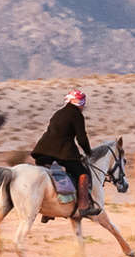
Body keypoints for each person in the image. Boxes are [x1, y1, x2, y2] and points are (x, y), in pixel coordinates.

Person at [32, 89, 95, 220]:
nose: (83, 106)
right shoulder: (76, 115)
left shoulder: (58, 113)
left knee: (51, 176)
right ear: (79, 103)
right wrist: (89, 152)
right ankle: (84, 207)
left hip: (42, 152)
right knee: (82, 174)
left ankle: (47, 212)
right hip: (62, 153)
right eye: (83, 103)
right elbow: (81, 138)